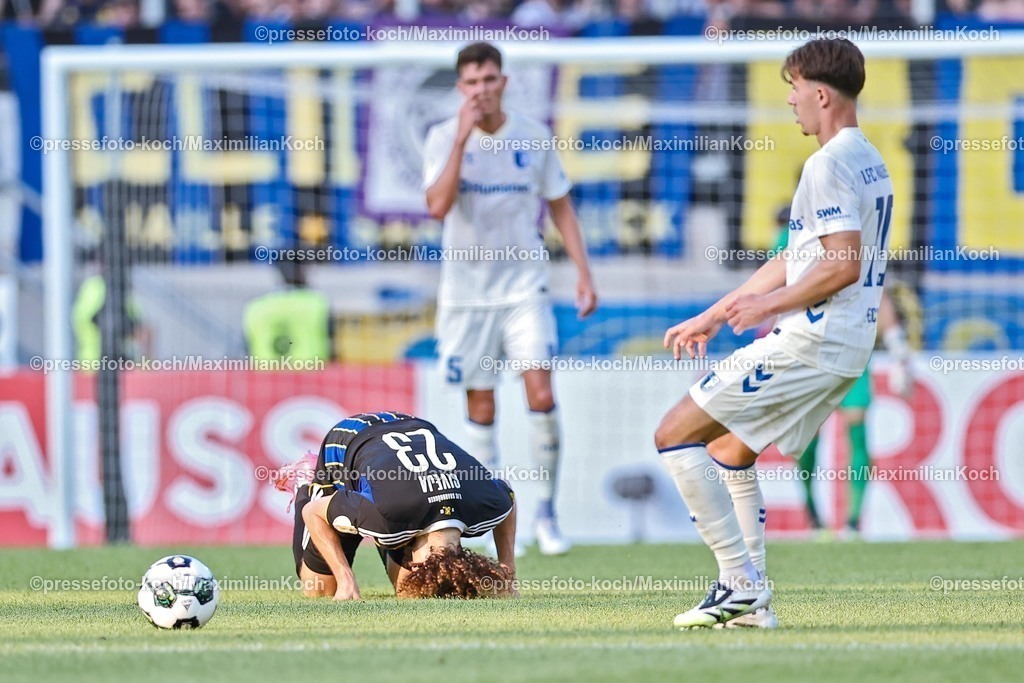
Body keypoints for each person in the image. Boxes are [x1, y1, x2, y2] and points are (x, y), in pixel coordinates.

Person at [655, 38, 894, 629]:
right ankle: (750, 606)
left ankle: (739, 584)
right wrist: (719, 312)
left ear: (819, 93)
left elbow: (841, 264)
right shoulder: (866, 157)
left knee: (673, 433)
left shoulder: (827, 163)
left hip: (814, 339)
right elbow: (795, 257)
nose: (789, 102)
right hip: (843, 346)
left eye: (793, 89)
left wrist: (766, 307)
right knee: (729, 450)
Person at [422, 42, 598, 556]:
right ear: (461, 88)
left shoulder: (533, 136)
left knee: (540, 392)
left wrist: (584, 275)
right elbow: (436, 206)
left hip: (525, 288)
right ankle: (498, 514)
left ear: (504, 82)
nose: (481, 90)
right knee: (480, 402)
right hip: (466, 297)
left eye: (489, 80)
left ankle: (546, 513)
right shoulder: (441, 138)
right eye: (472, 83)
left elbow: (561, 208)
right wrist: (459, 139)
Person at [768, 208, 914, 539]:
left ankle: (852, 523)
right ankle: (814, 518)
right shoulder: (789, 240)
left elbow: (878, 292)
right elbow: (772, 289)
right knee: (806, 433)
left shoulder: (859, 237)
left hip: (852, 347)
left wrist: (898, 349)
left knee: (856, 423)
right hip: (807, 350)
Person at [275, 411, 518, 599]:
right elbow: (313, 513)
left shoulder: (483, 503)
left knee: (411, 591)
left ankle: (390, 534)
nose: (416, 567)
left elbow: (508, 496)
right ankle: (306, 481)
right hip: (348, 440)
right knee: (319, 589)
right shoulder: (385, 514)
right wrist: (345, 577)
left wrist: (508, 570)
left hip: (411, 429)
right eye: (418, 565)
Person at [243, 255, 332, 363]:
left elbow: (248, 347)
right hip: (311, 376)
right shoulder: (317, 303)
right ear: (303, 270)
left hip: (265, 377)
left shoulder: (255, 307)